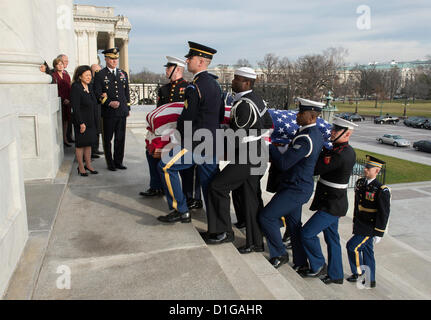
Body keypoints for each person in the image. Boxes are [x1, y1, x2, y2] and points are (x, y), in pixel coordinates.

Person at [204, 67, 273, 249]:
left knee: (217, 187)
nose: (233, 81)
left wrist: (217, 148)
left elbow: (237, 135)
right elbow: (268, 124)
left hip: (247, 155)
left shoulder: (244, 104)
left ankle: (223, 232)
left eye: (237, 79)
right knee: (250, 199)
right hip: (255, 152)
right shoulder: (257, 100)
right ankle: (256, 243)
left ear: (247, 83)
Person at [157, 41, 222, 224]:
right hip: (212, 142)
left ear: (201, 62)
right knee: (209, 183)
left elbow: (187, 118)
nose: (187, 60)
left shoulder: (195, 87)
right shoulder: (214, 84)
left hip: (195, 144)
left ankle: (181, 209)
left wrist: (178, 137)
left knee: (165, 166)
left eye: (190, 57)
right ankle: (217, 225)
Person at [258, 98, 324, 268]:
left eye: (301, 113)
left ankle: (280, 253)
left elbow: (284, 163)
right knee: (294, 225)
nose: (297, 115)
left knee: (266, 217)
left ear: (311, 117)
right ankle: (301, 262)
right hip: (297, 185)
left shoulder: (306, 138)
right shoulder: (310, 133)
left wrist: (270, 144)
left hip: (296, 189)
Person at [300, 117, 358, 283]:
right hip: (331, 202)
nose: (332, 132)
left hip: (332, 205)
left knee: (307, 234)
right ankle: (336, 275)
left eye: (336, 130)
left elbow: (316, 168)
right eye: (333, 129)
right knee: (332, 240)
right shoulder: (340, 150)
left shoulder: (341, 154)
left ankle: (318, 265)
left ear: (346, 134)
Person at [140, 56, 190, 198]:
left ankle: (187, 194)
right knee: (152, 154)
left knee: (182, 164)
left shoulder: (187, 88)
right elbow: (159, 111)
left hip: (180, 132)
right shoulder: (164, 89)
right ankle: (156, 187)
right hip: (165, 132)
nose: (166, 70)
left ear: (178, 69)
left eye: (169, 68)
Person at [346, 156, 391, 288]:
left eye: (368, 168)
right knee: (367, 252)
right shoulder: (360, 183)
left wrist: (379, 233)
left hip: (370, 227)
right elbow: (357, 205)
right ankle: (370, 280)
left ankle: (358, 273)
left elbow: (384, 213)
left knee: (352, 246)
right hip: (361, 223)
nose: (365, 169)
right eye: (365, 167)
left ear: (376, 171)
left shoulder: (381, 189)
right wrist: (355, 221)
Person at [93, 47, 131, 171]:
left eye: (116, 59)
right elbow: (97, 93)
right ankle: (110, 163)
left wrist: (128, 108)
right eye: (112, 59)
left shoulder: (122, 73)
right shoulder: (100, 75)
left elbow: (126, 92)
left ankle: (118, 161)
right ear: (106, 59)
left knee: (120, 138)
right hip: (108, 112)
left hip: (121, 112)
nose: (115, 61)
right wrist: (109, 102)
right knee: (107, 139)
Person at [70, 65, 99, 176]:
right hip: (81, 121)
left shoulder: (90, 87)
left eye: (90, 75)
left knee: (89, 144)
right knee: (81, 144)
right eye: (86, 75)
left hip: (91, 120)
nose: (89, 77)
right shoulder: (76, 87)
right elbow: (75, 107)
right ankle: (81, 166)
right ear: (80, 76)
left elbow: (94, 102)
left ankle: (88, 165)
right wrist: (81, 123)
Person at [52, 57, 72, 147]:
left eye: (61, 64)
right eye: (58, 64)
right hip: (60, 101)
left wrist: (69, 99)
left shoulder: (67, 76)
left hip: (67, 102)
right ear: (55, 66)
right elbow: (55, 90)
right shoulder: (53, 76)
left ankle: (65, 139)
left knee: (66, 122)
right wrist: (64, 99)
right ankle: (60, 140)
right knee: (60, 121)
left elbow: (69, 88)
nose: (60, 66)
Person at [90, 64, 103, 159]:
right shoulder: (90, 81)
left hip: (101, 107)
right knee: (94, 130)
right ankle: (92, 150)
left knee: (99, 129)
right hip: (93, 108)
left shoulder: (101, 80)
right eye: (96, 71)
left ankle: (96, 148)